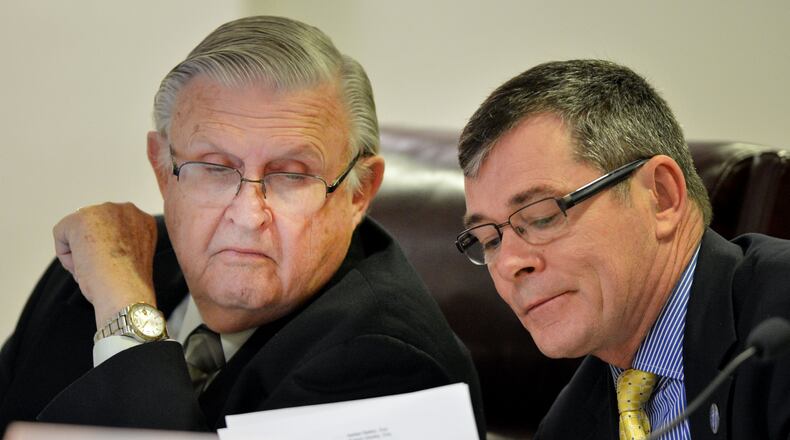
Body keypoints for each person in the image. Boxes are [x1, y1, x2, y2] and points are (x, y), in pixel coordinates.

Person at [0, 16, 484, 437]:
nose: (249, 214)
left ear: (359, 191)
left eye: (292, 174)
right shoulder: (99, 264)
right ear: (161, 167)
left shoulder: (391, 367)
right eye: (214, 167)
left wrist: (127, 311)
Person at [455, 59, 790, 439]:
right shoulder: (570, 425)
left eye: (543, 215)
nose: (510, 263)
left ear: (661, 196)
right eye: (490, 240)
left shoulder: (779, 325)